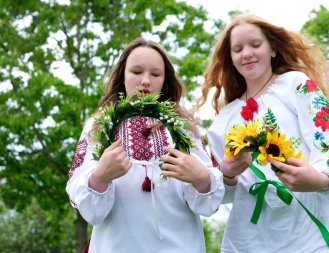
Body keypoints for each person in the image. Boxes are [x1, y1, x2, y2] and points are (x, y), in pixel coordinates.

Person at [196, 13, 329, 253]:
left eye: (255, 45)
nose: (247, 53)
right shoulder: (222, 123)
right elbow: (221, 193)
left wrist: (321, 179)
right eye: (238, 49)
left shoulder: (295, 85)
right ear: (231, 59)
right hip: (257, 239)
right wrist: (228, 175)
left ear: (273, 50)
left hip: (316, 230)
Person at [66, 37, 224, 253]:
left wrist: (202, 179)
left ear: (165, 79)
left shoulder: (184, 126)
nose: (146, 81)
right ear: (123, 76)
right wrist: (99, 178)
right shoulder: (99, 125)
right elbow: (90, 209)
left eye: (155, 74)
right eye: (137, 72)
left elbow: (207, 204)